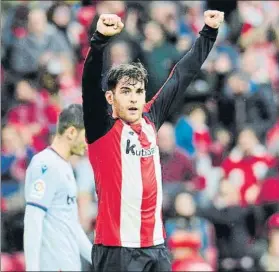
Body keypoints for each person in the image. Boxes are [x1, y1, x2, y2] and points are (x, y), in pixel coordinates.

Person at [82, 11, 224, 271]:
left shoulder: (150, 118)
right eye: (126, 91)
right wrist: (100, 40)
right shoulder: (101, 129)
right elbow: (90, 84)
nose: (134, 98)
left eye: (139, 91)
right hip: (117, 249)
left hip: (156, 247)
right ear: (111, 99)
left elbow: (182, 74)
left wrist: (208, 32)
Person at [23, 104, 93, 271]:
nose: (88, 144)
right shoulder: (45, 165)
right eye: (86, 137)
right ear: (71, 133)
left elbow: (71, 224)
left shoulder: (64, 166)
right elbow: (33, 219)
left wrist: (97, 259)